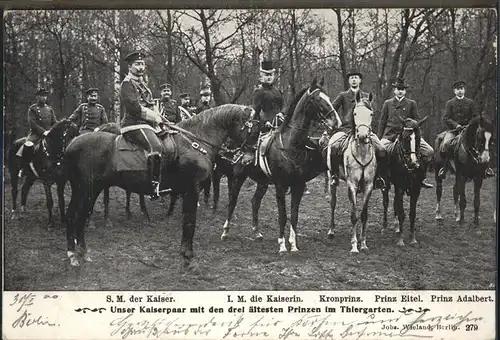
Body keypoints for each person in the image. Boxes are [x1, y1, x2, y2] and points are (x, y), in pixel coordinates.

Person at [326, 70, 388, 189]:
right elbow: (332, 110)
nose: (354, 80)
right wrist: (334, 123)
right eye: (352, 78)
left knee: (382, 149)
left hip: (364, 130)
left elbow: (371, 114)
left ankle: (379, 177)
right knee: (333, 147)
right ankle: (334, 176)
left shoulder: (366, 96)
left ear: (360, 80)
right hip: (346, 129)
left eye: (356, 78)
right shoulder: (343, 95)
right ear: (349, 81)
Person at [120, 51, 164, 199]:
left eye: (142, 64)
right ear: (130, 66)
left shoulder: (143, 85)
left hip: (147, 124)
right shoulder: (127, 84)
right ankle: (152, 186)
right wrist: (154, 117)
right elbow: (134, 108)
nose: (140, 67)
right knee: (155, 146)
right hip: (133, 124)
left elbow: (150, 104)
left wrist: (160, 117)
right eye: (137, 64)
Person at [378, 78, 434, 188]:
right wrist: (379, 138)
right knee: (380, 151)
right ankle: (381, 178)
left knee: (429, 151)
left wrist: (411, 126)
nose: (400, 91)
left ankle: (421, 177)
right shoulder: (388, 103)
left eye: (402, 89)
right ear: (394, 90)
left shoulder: (411, 103)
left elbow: (417, 120)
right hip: (391, 135)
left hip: (409, 136)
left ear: (405, 91)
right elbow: (382, 121)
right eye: (398, 89)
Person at [437, 80, 495, 179]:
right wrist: (456, 125)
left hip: (469, 130)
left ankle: (486, 168)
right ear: (454, 91)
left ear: (464, 90)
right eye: (457, 89)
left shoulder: (470, 102)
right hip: (454, 131)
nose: (460, 91)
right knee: (446, 144)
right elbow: (446, 118)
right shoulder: (450, 103)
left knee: (482, 141)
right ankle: (444, 167)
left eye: (461, 89)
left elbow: (475, 117)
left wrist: (469, 125)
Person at [16, 87, 58, 176]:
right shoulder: (33, 109)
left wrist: (54, 130)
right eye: (42, 96)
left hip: (49, 134)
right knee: (28, 145)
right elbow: (33, 124)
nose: (44, 98)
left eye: (45, 96)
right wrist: (43, 132)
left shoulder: (49, 109)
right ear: (37, 97)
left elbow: (54, 122)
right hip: (36, 134)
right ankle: (24, 168)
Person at [253, 60, 284, 133]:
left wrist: (282, 113)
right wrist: (264, 122)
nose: (269, 77)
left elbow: (283, 105)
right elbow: (256, 112)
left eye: (271, 75)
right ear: (262, 76)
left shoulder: (277, 90)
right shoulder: (259, 92)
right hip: (266, 126)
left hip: (280, 123)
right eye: (267, 75)